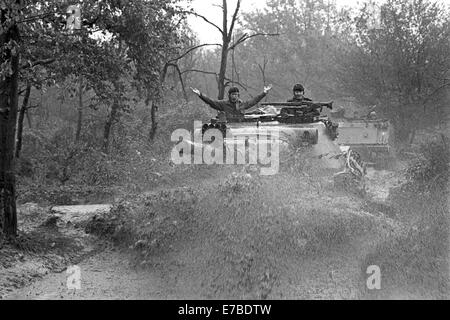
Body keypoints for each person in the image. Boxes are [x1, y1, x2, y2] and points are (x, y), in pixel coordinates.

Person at [191, 85, 272, 121]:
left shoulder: (242, 104)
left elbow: (254, 101)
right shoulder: (223, 104)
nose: (234, 96)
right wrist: (200, 94)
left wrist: (264, 93)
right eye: (233, 94)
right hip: (229, 127)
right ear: (229, 95)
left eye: (236, 95)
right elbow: (211, 102)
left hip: (241, 127)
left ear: (238, 95)